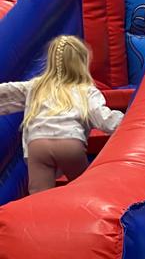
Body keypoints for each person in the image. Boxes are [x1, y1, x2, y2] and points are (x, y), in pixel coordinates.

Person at [0, 34, 124, 193]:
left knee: (39, 195)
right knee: (83, 188)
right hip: (70, 143)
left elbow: (7, 92)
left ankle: (40, 208)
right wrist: (127, 121)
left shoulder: (36, 86)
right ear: (82, 64)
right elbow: (103, 118)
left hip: (38, 144)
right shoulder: (86, 91)